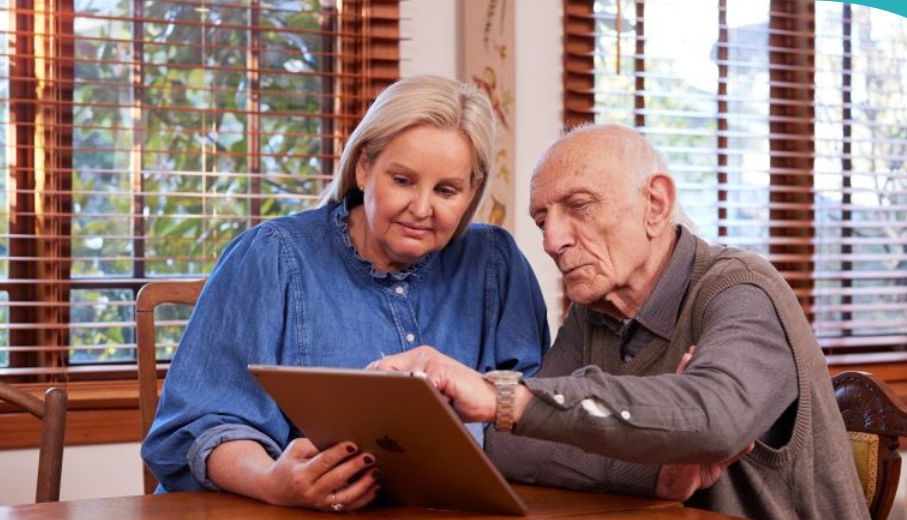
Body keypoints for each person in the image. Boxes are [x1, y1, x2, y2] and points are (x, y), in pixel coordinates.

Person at [370, 124, 870, 519]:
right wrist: (656, 475)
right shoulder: (594, 312)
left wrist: (506, 397)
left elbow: (717, 420)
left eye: (579, 206)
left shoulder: (740, 289)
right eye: (543, 220)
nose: (552, 241)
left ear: (654, 204)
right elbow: (514, 446)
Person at [140, 75, 549, 513]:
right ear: (364, 166)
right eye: (403, 180)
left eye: (446, 190)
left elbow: (539, 412)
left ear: (472, 191)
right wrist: (273, 481)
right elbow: (197, 425)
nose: (422, 208)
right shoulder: (273, 255)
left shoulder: (495, 261)